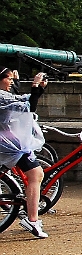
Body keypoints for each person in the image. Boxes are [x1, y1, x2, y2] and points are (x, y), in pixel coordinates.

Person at [0, 67, 49, 238]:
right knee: (36, 174)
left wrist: (39, 88)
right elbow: (29, 106)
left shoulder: (4, 96)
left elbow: (23, 99)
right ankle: (33, 220)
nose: (11, 81)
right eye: (8, 78)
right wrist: (35, 86)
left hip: (8, 142)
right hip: (8, 144)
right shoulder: (0, 96)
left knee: (33, 174)